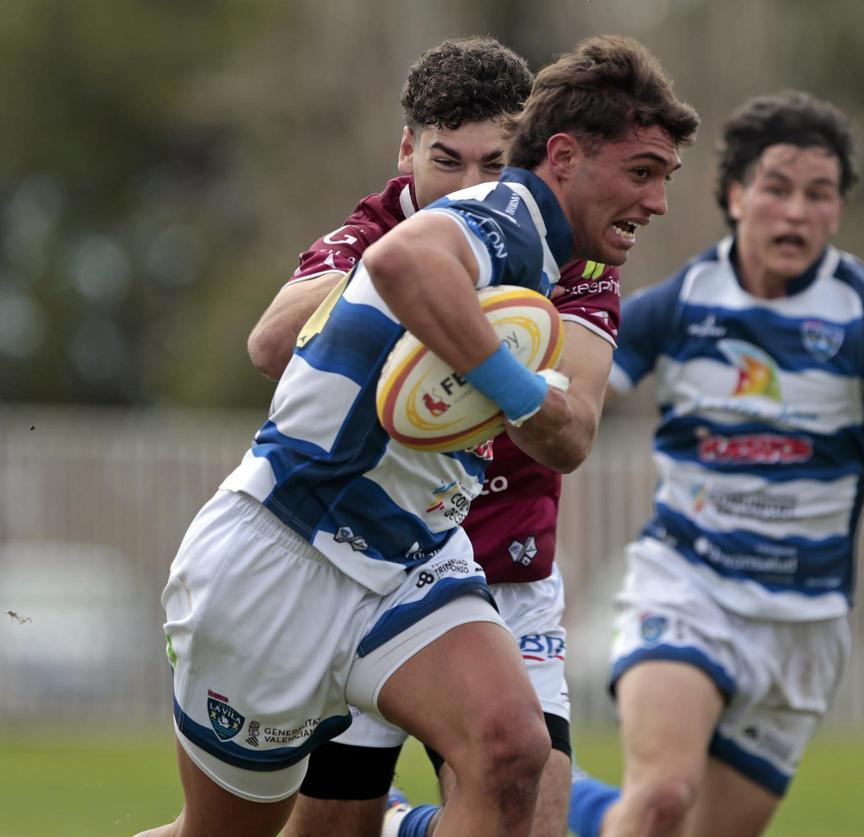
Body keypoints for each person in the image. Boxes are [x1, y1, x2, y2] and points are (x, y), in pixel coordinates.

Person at [139, 35, 697, 837]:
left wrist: (534, 400)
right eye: (642, 173)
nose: (658, 202)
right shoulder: (502, 218)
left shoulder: (551, 260)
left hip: (412, 557)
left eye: (664, 178)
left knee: (512, 751)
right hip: (287, 555)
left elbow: (570, 436)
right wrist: (507, 384)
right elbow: (405, 262)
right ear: (566, 158)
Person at [568, 91, 864, 837]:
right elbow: (566, 410)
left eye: (820, 194)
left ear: (838, 210)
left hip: (804, 628)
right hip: (686, 588)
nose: (797, 212)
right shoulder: (680, 305)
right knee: (662, 798)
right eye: (776, 188)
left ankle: (545, 801)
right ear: (736, 195)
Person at [245, 38, 625, 837]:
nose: (467, 186)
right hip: (368, 566)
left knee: (532, 818)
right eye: (445, 161)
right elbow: (271, 343)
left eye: (492, 165)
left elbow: (577, 421)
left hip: (505, 571)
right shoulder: (383, 232)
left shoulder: (572, 253)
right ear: (406, 151)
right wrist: (412, 282)